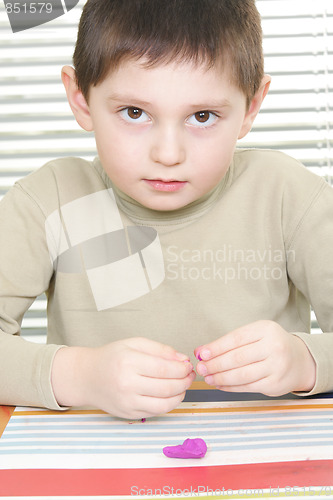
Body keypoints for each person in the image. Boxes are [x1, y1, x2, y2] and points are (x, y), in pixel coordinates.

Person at [0, 0, 332, 420]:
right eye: (135, 112)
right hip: (98, 471)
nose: (168, 154)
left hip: (261, 470)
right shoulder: (50, 199)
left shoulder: (288, 195)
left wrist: (304, 361)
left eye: (203, 115)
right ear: (81, 98)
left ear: (251, 107)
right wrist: (82, 375)